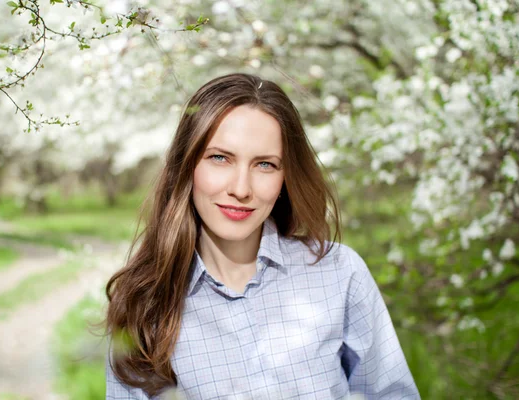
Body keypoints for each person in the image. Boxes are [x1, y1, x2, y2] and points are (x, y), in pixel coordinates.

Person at [104, 73, 420, 399]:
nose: (241, 189)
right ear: (187, 166)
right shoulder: (145, 303)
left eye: (265, 165)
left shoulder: (339, 272)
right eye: (220, 158)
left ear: (285, 176)